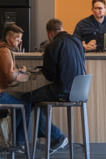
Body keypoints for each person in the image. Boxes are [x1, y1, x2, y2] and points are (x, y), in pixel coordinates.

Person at [25, 18, 87, 151]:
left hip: (62, 90)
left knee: (27, 98)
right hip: (80, 91)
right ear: (62, 28)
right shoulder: (77, 41)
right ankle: (48, 135)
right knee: (38, 101)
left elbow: (49, 75)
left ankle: (23, 142)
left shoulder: (52, 45)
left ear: (49, 33)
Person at [0, 23, 31, 151]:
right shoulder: (4, 52)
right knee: (26, 105)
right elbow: (9, 77)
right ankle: (18, 142)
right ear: (8, 38)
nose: (20, 41)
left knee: (21, 102)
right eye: (17, 38)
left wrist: (18, 72)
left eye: (20, 38)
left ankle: (10, 140)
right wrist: (24, 74)